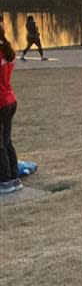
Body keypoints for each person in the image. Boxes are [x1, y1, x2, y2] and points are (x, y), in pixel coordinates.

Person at [0, 17, 21, 194]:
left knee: (0, 144)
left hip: (1, 103)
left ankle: (5, 181)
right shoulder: (9, 52)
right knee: (7, 141)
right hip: (11, 100)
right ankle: (15, 178)